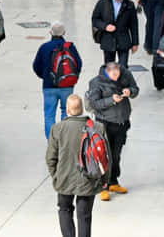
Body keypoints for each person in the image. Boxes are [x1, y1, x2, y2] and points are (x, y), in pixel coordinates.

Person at [46, 94, 102, 237]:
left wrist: (56, 176)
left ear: (68, 110)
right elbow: (105, 157)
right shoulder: (97, 127)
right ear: (82, 108)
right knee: (84, 216)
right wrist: (104, 179)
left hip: (64, 178)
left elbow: (50, 158)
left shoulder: (57, 128)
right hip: (88, 179)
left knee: (65, 210)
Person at [84, 62, 138, 201]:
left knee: (116, 154)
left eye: (118, 75)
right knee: (104, 156)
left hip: (122, 122)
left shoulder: (125, 75)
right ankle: (103, 186)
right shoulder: (96, 82)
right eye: (113, 76)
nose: (116, 78)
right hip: (105, 123)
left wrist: (130, 92)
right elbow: (95, 104)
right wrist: (111, 100)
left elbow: (135, 89)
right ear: (108, 72)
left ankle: (113, 181)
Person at [33, 22, 83, 139]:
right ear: (64, 33)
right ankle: (64, 140)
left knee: (49, 115)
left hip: (49, 86)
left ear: (50, 32)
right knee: (66, 111)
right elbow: (78, 64)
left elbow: (36, 66)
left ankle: (52, 142)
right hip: (67, 85)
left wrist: (45, 77)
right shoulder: (70, 47)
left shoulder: (44, 47)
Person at [91, 0, 139, 68]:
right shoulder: (102, 3)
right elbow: (95, 20)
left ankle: (121, 82)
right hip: (108, 40)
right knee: (109, 68)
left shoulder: (130, 5)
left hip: (123, 40)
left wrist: (135, 43)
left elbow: (134, 25)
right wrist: (105, 26)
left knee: (123, 68)